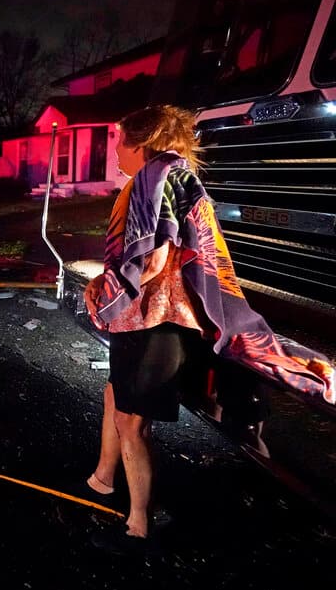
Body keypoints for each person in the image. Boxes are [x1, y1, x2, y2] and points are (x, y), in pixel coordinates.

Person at [82, 105, 333, 554]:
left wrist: (106, 294)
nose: (115, 150)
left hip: (154, 322)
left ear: (142, 143)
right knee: (113, 397)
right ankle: (103, 477)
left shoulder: (152, 180)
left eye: (119, 140)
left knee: (131, 421)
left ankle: (139, 525)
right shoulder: (173, 177)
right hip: (159, 320)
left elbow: (150, 260)